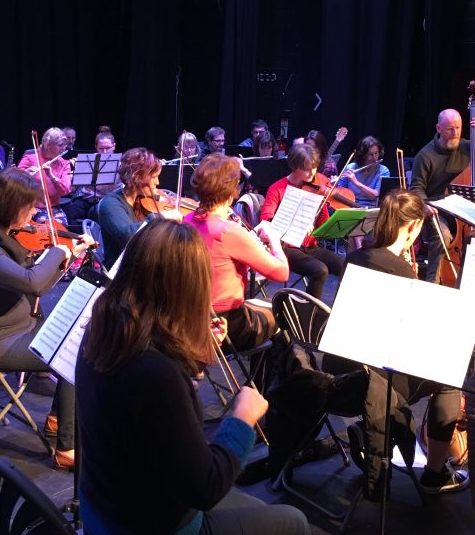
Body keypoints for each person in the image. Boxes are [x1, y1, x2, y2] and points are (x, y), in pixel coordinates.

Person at [76, 218, 311, 534]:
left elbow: (145, 415)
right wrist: (242, 419)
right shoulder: (155, 374)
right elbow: (206, 489)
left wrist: (192, 356)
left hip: (103, 504)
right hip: (148, 523)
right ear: (189, 286)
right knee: (293, 522)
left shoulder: (104, 331)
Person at [0, 168, 93, 471]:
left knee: (83, 333)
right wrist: (59, 252)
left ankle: (61, 417)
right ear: (11, 207)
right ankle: (66, 447)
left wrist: (63, 256)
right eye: (30, 206)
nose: (35, 213)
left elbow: (34, 272)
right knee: (75, 356)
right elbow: (32, 282)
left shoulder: (4, 234)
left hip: (24, 324)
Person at [345, 190, 468, 495]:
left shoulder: (356, 256)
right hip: (382, 377)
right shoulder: (400, 270)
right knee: (452, 377)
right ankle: (435, 474)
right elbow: (414, 336)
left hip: (347, 368)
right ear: (412, 227)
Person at [185, 154, 290, 350]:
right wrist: (274, 240)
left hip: (192, 320)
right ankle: (268, 379)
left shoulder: (187, 220)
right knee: (285, 307)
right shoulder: (229, 231)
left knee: (261, 304)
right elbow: (282, 272)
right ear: (233, 189)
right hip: (226, 325)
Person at [410, 108, 475, 283]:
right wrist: (425, 204)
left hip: (468, 210)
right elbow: (416, 187)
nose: (455, 133)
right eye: (449, 129)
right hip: (439, 211)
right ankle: (433, 283)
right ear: (439, 128)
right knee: (443, 235)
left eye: (458, 128)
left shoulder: (469, 147)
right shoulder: (425, 155)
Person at [260, 144, 345, 302]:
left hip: (311, 246)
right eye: (307, 168)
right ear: (294, 166)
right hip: (287, 247)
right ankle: (309, 312)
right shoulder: (277, 188)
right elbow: (266, 220)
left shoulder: (316, 187)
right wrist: (296, 224)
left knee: (345, 265)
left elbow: (323, 221)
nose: (312, 172)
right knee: (320, 270)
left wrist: (330, 215)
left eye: (314, 167)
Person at [96, 147, 182, 268]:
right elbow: (128, 235)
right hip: (123, 271)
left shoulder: (142, 198)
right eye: (153, 177)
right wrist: (160, 216)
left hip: (145, 264)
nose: (157, 183)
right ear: (137, 177)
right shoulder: (109, 204)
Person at [63, 131, 120, 229]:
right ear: (96, 147)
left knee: (95, 213)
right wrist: (71, 177)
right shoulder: (88, 160)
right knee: (69, 212)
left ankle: (99, 242)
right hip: (87, 199)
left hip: (106, 201)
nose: (105, 152)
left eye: (108, 148)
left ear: (114, 146)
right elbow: (75, 186)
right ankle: (79, 240)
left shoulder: (120, 164)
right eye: (101, 148)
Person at [17, 127, 72, 225]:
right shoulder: (30, 159)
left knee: (62, 226)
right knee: (45, 225)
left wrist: (52, 177)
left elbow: (66, 190)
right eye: (60, 145)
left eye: (65, 145)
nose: (64, 148)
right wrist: (26, 175)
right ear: (48, 145)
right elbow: (14, 182)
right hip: (32, 207)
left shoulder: (64, 164)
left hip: (54, 208)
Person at [336, 136, 390, 209]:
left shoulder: (383, 171)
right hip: (350, 206)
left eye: (376, 153)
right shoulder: (350, 168)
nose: (374, 158)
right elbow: (340, 193)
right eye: (370, 154)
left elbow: (375, 196)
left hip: (371, 209)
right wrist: (334, 185)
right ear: (362, 155)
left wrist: (356, 182)